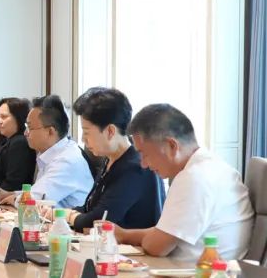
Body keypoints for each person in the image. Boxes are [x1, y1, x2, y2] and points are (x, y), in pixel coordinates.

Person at [114, 103, 252, 261]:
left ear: (172, 145)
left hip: (198, 273)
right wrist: (123, 235)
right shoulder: (212, 167)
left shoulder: (194, 178)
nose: (144, 164)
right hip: (205, 270)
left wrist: (145, 239)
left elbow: (157, 246)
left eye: (144, 154)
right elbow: (164, 232)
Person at [65, 88, 164, 231]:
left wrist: (68, 216)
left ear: (110, 131)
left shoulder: (135, 167)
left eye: (86, 132)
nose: (83, 139)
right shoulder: (111, 158)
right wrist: (60, 213)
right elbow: (90, 209)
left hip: (130, 245)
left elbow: (98, 221)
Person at [24, 95, 93, 208]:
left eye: (30, 128)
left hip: (70, 220)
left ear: (50, 131)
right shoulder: (52, 153)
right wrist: (13, 195)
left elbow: (32, 200)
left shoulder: (67, 161)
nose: (25, 133)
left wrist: (14, 198)